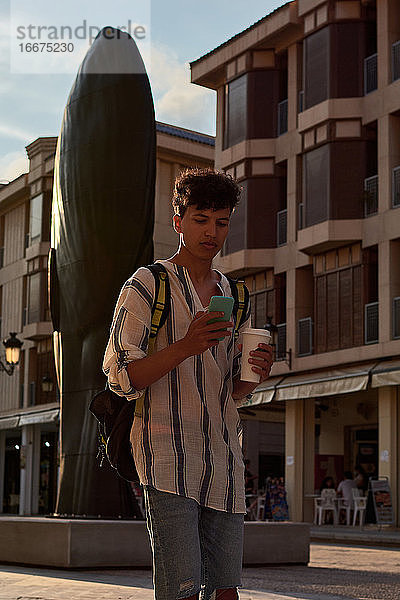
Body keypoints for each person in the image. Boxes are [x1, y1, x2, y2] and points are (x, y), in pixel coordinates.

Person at [103, 168, 274, 600]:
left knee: (225, 591)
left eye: (221, 221)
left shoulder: (235, 295)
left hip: (224, 459)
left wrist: (254, 376)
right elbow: (121, 376)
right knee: (180, 590)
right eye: (200, 219)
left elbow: (230, 390)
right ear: (178, 220)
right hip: (166, 458)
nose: (211, 231)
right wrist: (185, 345)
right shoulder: (147, 285)